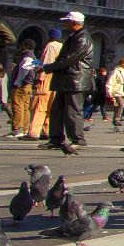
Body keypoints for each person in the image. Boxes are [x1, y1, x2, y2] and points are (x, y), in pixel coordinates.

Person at [41, 11, 95, 153]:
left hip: (75, 79)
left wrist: (48, 68)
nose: (65, 24)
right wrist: (46, 67)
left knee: (73, 111)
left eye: (67, 22)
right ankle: (56, 139)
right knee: (56, 110)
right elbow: (63, 58)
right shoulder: (74, 36)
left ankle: (78, 140)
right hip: (67, 79)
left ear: (74, 23)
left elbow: (69, 59)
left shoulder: (82, 38)